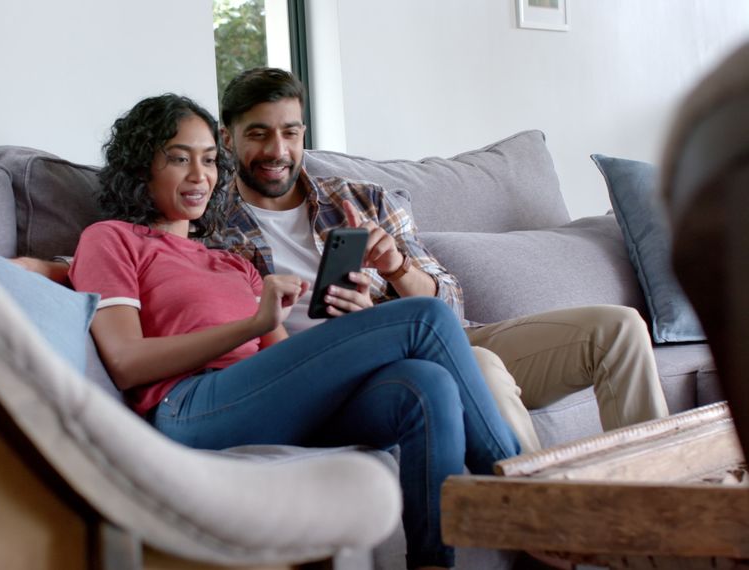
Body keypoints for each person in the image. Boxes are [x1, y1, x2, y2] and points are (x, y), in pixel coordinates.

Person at [67, 93, 519, 569]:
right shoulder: (111, 238)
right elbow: (124, 361)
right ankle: (523, 498)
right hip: (188, 408)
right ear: (141, 169)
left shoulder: (231, 262)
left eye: (208, 160)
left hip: (259, 401)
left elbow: (279, 365)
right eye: (179, 159)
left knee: (427, 385)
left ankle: (432, 563)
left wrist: (350, 339)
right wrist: (254, 323)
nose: (200, 176)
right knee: (426, 317)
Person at [206, 67, 669, 452]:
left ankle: (664, 510)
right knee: (482, 369)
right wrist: (368, 333)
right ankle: (543, 519)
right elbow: (249, 355)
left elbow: (448, 305)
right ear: (229, 139)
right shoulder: (213, 230)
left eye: (290, 132)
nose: (277, 151)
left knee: (620, 327)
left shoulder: (360, 199)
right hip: (373, 368)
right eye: (259, 134)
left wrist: (396, 268)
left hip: (449, 336)